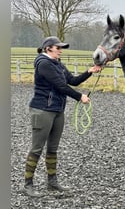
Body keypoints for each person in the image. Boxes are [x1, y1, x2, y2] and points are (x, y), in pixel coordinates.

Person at [23, 36, 102, 197]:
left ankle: (52, 182)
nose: (60, 50)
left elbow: (72, 80)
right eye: (58, 48)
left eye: (61, 48)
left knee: (53, 148)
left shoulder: (57, 64)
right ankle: (28, 184)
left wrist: (89, 71)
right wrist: (80, 97)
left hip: (58, 110)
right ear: (48, 48)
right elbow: (60, 86)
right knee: (37, 148)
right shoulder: (44, 64)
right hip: (43, 109)